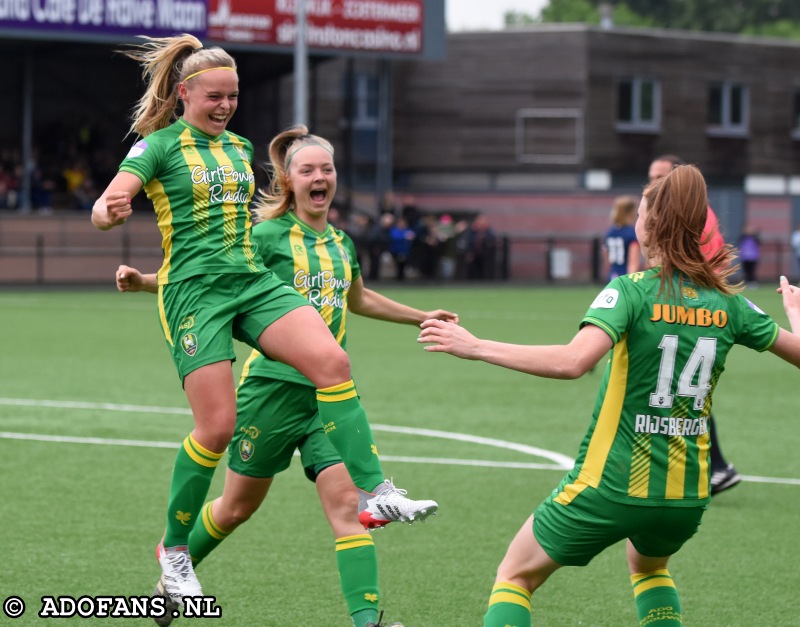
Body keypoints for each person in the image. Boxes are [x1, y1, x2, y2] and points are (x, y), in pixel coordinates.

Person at [90, 34, 437, 606]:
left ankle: (376, 492)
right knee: (217, 429)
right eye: (214, 97)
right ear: (184, 94)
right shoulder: (157, 146)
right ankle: (174, 553)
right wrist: (111, 212)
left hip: (250, 280)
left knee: (332, 359)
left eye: (233, 96)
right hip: (195, 294)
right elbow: (109, 203)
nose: (225, 106)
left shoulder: (239, 146)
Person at [419, 165, 800, 626]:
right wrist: (795, 317)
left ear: (650, 226)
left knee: (515, 575)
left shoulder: (629, 292)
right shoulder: (729, 302)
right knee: (649, 565)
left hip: (613, 483)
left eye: (640, 214)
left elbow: (573, 362)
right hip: (686, 495)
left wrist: (476, 347)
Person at [648, 154, 741, 495]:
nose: (652, 183)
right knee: (681, 392)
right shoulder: (686, 212)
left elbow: (704, 263)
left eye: (659, 175)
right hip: (691, 308)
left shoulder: (693, 215)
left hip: (694, 311)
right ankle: (709, 467)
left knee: (682, 391)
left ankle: (714, 466)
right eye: (650, 176)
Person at [603, 195, 640, 281]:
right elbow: (633, 262)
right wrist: (632, 281)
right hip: (626, 277)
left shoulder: (609, 233)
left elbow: (607, 261)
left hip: (613, 276)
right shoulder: (631, 233)